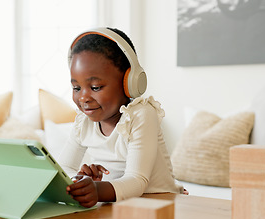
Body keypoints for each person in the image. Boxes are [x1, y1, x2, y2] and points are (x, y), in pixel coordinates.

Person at [58, 27, 186, 208]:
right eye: (76, 88)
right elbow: (63, 167)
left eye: (95, 87)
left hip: (159, 205)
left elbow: (136, 180)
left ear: (130, 83)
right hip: (117, 206)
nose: (83, 97)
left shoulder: (140, 114)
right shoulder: (83, 121)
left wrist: (97, 190)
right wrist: (79, 183)